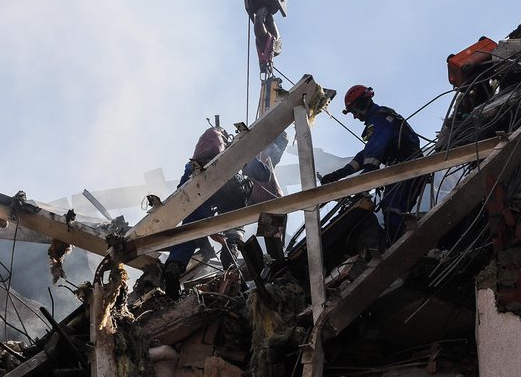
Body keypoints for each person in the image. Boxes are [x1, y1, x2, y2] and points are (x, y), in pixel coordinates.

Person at [161, 127, 289, 292]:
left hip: (199, 183)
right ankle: (231, 260)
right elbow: (263, 175)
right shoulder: (234, 149)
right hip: (231, 189)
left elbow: (183, 192)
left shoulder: (196, 161)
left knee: (191, 228)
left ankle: (174, 265)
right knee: (233, 230)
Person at [319, 85, 425, 244]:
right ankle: (399, 243)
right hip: (401, 168)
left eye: (354, 111)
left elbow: (375, 150)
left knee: (392, 210)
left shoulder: (380, 118)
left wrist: (366, 179)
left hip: (408, 166)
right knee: (390, 209)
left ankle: (404, 247)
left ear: (362, 103)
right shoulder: (378, 122)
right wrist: (339, 174)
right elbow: (366, 154)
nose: (355, 116)